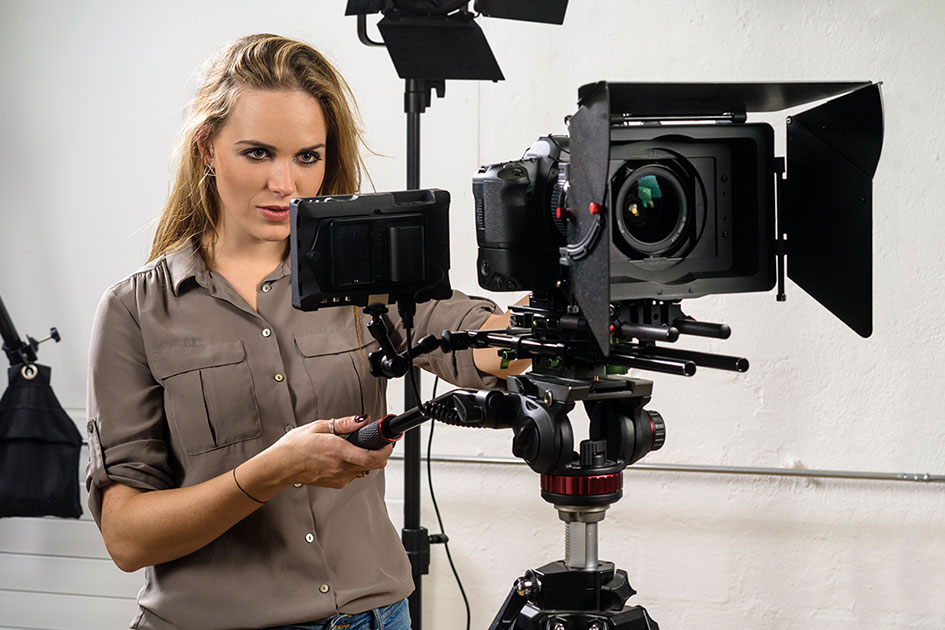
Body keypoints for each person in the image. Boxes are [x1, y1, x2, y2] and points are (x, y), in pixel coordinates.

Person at [86, 33, 523, 630]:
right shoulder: (136, 311)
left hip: (375, 616)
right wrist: (270, 470)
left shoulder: (370, 275)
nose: (285, 184)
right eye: (258, 153)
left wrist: (573, 290)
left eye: (307, 157)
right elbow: (127, 538)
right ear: (207, 148)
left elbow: (482, 343)